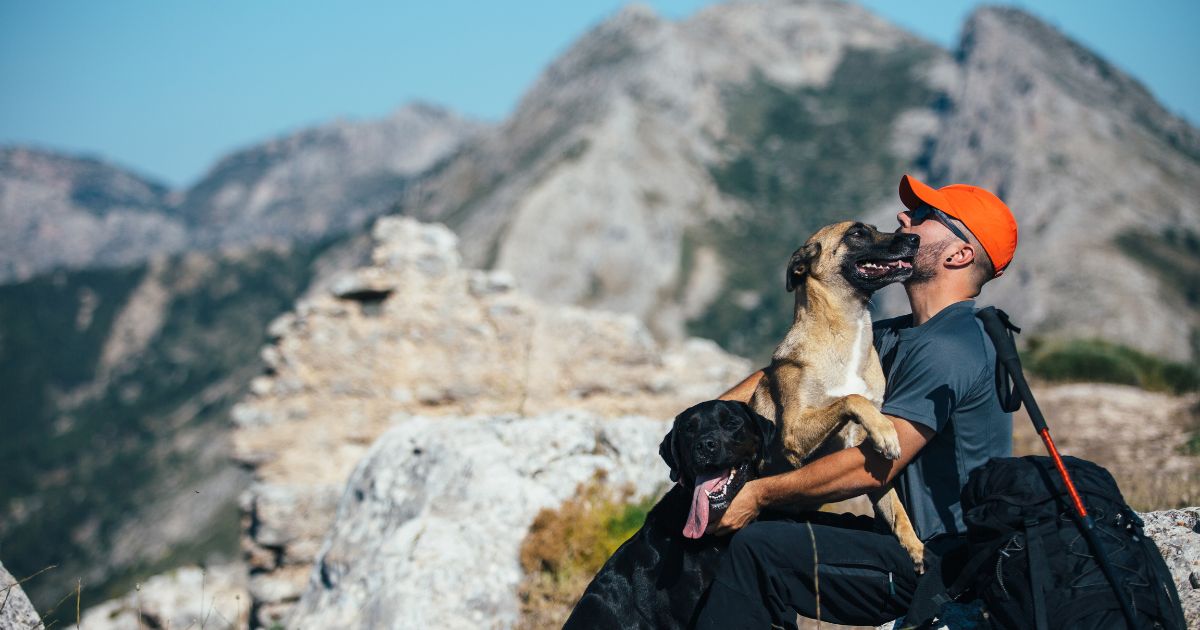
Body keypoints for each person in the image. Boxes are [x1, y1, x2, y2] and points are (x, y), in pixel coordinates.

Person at [693, 174, 1020, 629]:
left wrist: (757, 494)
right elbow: (787, 373)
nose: (903, 217)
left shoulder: (954, 344)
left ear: (958, 255)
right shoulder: (894, 336)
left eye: (924, 216)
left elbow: (869, 468)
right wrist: (701, 429)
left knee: (759, 550)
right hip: (901, 542)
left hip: (943, 562)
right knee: (763, 536)